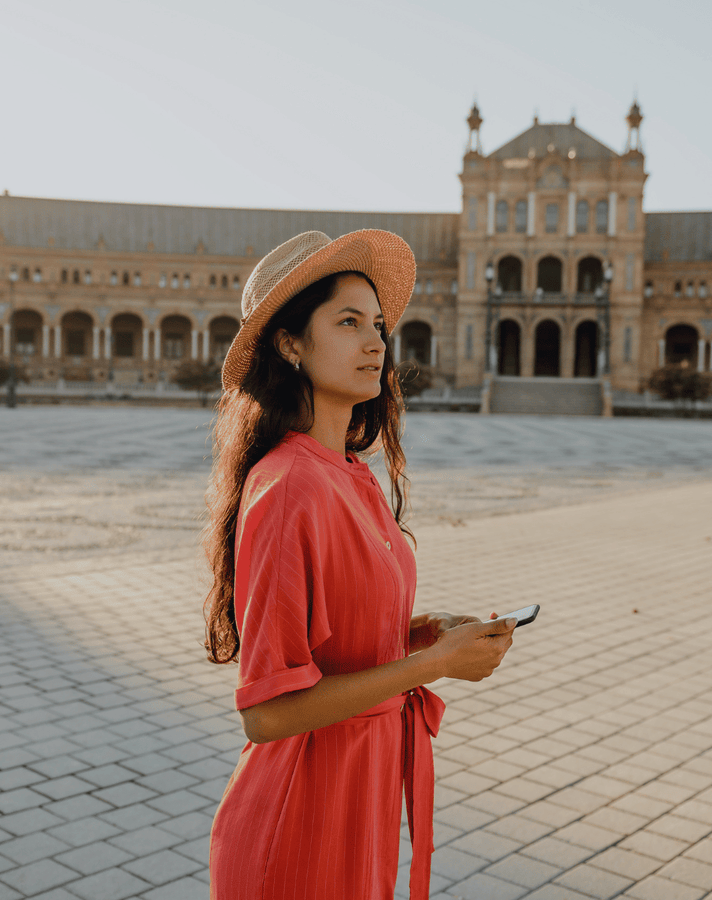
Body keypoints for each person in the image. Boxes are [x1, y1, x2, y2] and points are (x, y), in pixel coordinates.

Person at [203, 230, 517, 900]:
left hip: (359, 802)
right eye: (348, 322)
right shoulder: (287, 487)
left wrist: (424, 632)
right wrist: (433, 666)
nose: (376, 342)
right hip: (298, 822)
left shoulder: (351, 476)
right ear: (289, 344)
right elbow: (269, 713)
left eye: (377, 324)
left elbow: (341, 641)